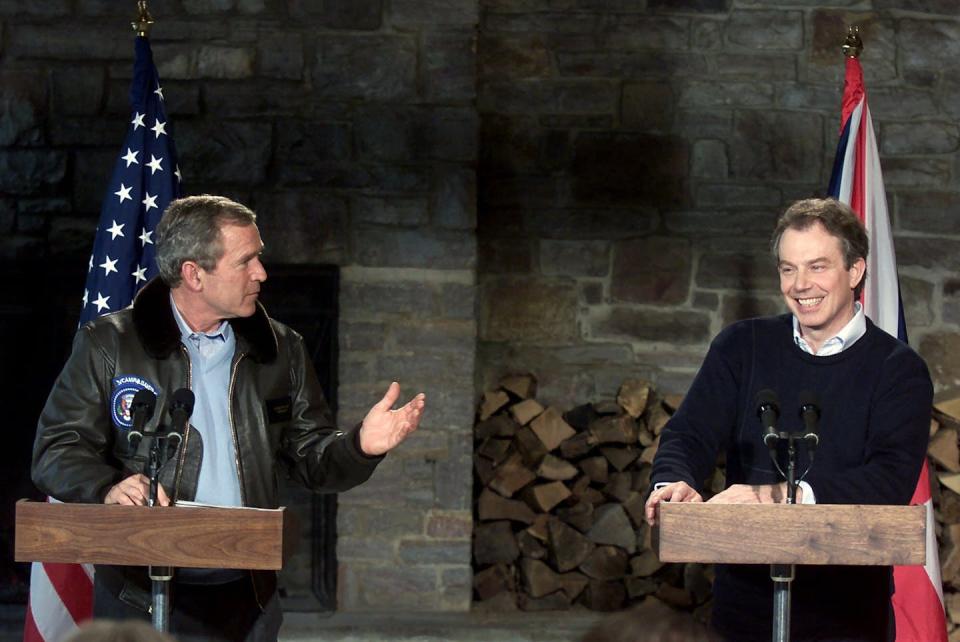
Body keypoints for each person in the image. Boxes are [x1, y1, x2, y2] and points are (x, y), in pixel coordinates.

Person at [32, 194, 426, 642]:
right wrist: (107, 486)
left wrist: (360, 446)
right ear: (194, 274)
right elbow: (56, 450)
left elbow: (312, 460)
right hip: (139, 592)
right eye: (247, 261)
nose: (262, 273)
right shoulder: (110, 344)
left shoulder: (281, 349)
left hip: (246, 590)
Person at [644, 198, 932, 642]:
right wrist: (672, 481)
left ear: (855, 271)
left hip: (846, 615)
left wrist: (782, 496)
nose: (800, 285)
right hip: (744, 608)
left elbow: (889, 478)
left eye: (817, 267)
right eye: (787, 269)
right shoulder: (742, 346)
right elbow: (689, 433)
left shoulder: (899, 369)